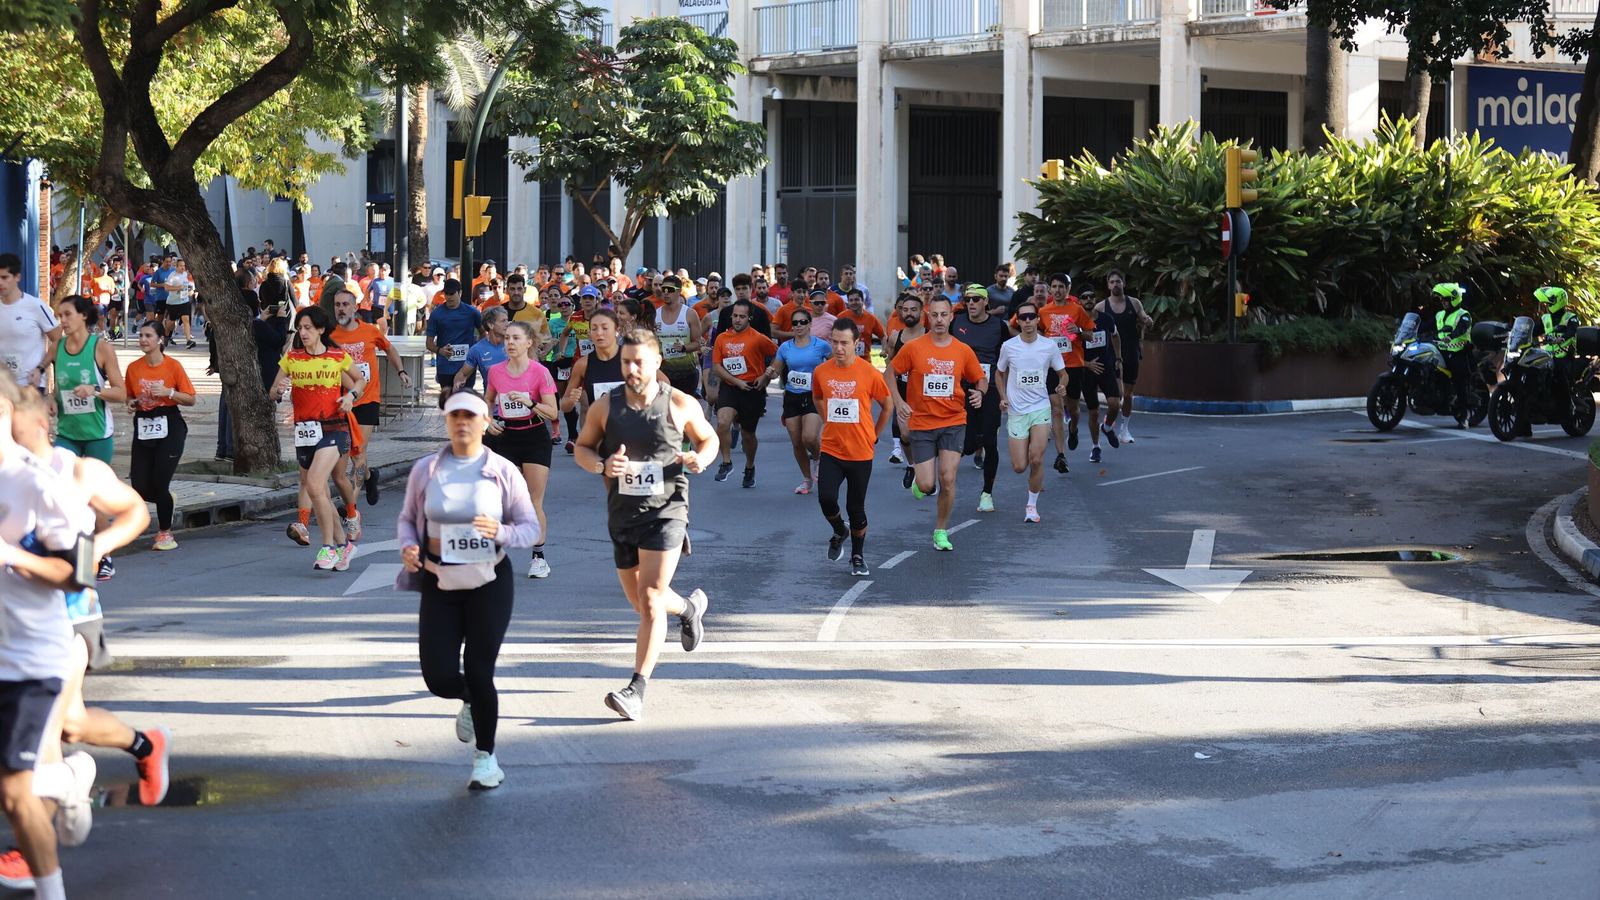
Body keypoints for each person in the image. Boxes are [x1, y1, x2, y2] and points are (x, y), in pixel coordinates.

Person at [397, 390, 541, 790]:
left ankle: (486, 758)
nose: (461, 422)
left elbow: (532, 528)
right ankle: (468, 699)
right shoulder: (426, 469)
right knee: (438, 677)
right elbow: (408, 519)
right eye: (454, 415)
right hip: (440, 582)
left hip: (489, 582)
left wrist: (503, 532)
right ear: (445, 421)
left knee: (480, 671)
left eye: (470, 415)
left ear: (484, 421)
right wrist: (408, 548)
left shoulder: (502, 470)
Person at [574, 328, 717, 721]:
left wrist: (700, 459)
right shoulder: (606, 406)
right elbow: (582, 448)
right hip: (622, 515)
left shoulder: (680, 403)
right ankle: (688, 609)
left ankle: (636, 688)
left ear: (656, 362)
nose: (632, 369)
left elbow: (709, 440)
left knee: (652, 597)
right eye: (626, 362)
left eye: (639, 362)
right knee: (641, 602)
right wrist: (602, 465)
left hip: (667, 511)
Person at [0, 369, 94, 900]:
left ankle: (50, 892)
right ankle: (64, 779)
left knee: (15, 794)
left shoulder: (38, 484)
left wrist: (11, 555)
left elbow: (76, 572)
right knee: (12, 786)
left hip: (32, 657)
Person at [886, 296, 987, 551]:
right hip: (921, 422)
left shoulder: (962, 350)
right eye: (935, 315)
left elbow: (980, 378)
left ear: (951, 317)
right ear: (927, 318)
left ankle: (941, 531)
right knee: (927, 484)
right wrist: (898, 401)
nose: (940, 319)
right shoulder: (913, 347)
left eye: (944, 315)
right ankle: (921, 485)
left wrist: (980, 393)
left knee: (948, 478)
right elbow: (889, 372)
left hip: (953, 421)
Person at [272, 306, 363, 571]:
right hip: (305, 431)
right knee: (319, 491)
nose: (303, 332)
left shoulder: (337, 356)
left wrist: (350, 397)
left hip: (334, 429)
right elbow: (272, 392)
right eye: (300, 328)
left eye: (308, 328)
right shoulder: (292, 358)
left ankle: (328, 548)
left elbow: (359, 381)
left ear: (321, 330)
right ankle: (345, 546)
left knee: (314, 482)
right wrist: (279, 390)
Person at [812, 319, 893, 576]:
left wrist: (874, 435)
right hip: (832, 448)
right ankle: (839, 530)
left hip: (861, 452)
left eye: (844, 343)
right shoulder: (822, 372)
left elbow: (887, 405)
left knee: (856, 508)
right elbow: (817, 397)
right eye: (834, 342)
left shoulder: (869, 372)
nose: (838, 348)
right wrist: (828, 420)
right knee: (826, 498)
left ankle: (857, 555)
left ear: (856, 344)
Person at [484, 322, 560, 578]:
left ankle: (538, 558)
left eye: (516, 338)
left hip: (535, 436)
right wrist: (487, 419)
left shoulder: (540, 372)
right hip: (507, 436)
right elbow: (489, 400)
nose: (510, 343)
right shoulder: (495, 371)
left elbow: (552, 412)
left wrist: (529, 401)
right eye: (506, 338)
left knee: (533, 500)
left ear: (529, 343)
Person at [332, 289, 412, 506]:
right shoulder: (330, 336)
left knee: (358, 452)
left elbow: (390, 349)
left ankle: (351, 505)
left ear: (355, 307)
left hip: (368, 399)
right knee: (349, 450)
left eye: (346, 304)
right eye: (337, 304)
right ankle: (369, 477)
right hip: (342, 402)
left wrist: (401, 371)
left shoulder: (369, 331)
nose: (341, 308)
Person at [124, 321, 196, 549]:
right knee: (139, 486)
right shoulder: (133, 368)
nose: (143, 340)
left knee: (160, 482)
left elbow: (190, 398)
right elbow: (128, 396)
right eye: (141, 335)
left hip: (170, 424)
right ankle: (166, 501)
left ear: (160, 340)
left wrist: (169, 392)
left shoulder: (173, 366)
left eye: (148, 336)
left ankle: (165, 534)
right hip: (144, 424)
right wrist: (132, 403)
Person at [995, 300, 1068, 523]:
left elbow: (1063, 373)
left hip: (1040, 408)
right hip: (1017, 410)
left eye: (1031, 317)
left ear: (1038, 320)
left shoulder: (1049, 346)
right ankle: (1027, 460)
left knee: (1036, 459)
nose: (1027, 321)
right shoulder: (1009, 346)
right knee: (1019, 466)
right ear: (1018, 321)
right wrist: (1003, 397)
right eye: (1023, 318)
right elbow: (999, 373)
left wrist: (1062, 384)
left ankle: (1031, 506)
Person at [950, 285, 1009, 512]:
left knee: (990, 441)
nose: (971, 303)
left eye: (976, 299)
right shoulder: (957, 322)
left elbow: (1007, 354)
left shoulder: (998, 326)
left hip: (989, 387)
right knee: (966, 443)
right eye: (968, 299)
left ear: (986, 302)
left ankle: (987, 493)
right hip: (961, 387)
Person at [711, 300, 777, 487]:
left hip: (751, 389)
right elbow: (717, 366)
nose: (737, 320)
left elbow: (777, 356)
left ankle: (749, 466)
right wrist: (735, 381)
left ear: (749, 318)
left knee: (748, 434)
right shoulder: (722, 338)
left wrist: (766, 375)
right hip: (731, 387)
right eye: (735, 316)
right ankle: (726, 462)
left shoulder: (757, 338)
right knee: (723, 422)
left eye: (742, 316)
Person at [770, 303, 832, 494]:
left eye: (803, 322)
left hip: (814, 396)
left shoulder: (821, 345)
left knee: (809, 437)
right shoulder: (785, 347)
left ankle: (818, 458)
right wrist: (770, 372)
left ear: (809, 324)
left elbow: (835, 365)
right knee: (797, 442)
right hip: (792, 396)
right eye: (795, 323)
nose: (798, 325)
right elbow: (776, 369)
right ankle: (806, 479)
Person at [1037, 274, 1097, 473]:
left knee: (1073, 408)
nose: (1057, 290)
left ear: (1068, 289)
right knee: (1056, 408)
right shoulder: (1044, 311)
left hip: (1073, 364)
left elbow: (1090, 335)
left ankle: (1073, 428)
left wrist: (1078, 329)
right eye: (1054, 286)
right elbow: (1036, 333)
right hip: (1052, 366)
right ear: (1050, 290)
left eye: (1061, 286)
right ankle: (1060, 455)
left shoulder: (1077, 309)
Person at [1095, 270, 1153, 444]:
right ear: (1108, 285)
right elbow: (1092, 330)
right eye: (1111, 282)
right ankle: (1108, 424)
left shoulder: (1134, 303)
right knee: (1117, 394)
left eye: (1118, 281)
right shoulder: (1101, 307)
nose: (1115, 285)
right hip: (1110, 355)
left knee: (1128, 395)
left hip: (1131, 352)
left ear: (1123, 283)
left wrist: (1148, 321)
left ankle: (1124, 429)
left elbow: (1144, 319)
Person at [883, 292, 927, 482]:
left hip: (926, 395)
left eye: (913, 310)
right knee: (906, 435)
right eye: (905, 310)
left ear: (921, 313)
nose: (908, 313)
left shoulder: (929, 336)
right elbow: (890, 364)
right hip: (903, 393)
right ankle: (912, 466)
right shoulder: (895, 337)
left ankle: (926, 472)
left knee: (927, 438)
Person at [425, 278, 482, 408]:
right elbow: (428, 343)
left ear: (460, 293)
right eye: (447, 294)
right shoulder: (437, 314)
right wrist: (440, 351)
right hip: (445, 366)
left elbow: (483, 333)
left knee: (466, 401)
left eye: (452, 294)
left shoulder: (472, 312)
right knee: (449, 403)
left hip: (467, 366)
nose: (449, 297)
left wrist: (476, 351)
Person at [1428, 282, 1473, 428]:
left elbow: (1461, 329)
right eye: (1441, 299)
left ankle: (1464, 416)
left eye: (1445, 299)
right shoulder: (1439, 315)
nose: (1443, 302)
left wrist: (1451, 336)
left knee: (1459, 383)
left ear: (1454, 299)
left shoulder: (1463, 315)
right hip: (1441, 351)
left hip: (1458, 353)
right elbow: (1428, 326)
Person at [654, 275, 705, 397]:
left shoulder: (690, 314)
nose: (666, 293)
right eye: (663, 289)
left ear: (679, 291)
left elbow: (698, 343)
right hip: (664, 372)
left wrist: (684, 348)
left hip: (686, 373)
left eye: (670, 290)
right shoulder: (656, 315)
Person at [453, 306, 509, 395]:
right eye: (503, 321)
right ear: (491, 325)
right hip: (492, 403)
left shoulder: (515, 344)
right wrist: (457, 387)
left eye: (507, 320)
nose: (507, 324)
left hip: (518, 402)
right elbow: (463, 374)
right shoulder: (477, 350)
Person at [162, 257, 197, 348]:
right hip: (173, 303)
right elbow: (166, 288)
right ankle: (166, 335)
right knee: (171, 322)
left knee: (186, 319)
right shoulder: (172, 276)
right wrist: (178, 288)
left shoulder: (185, 274)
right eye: (181, 266)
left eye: (184, 266)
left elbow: (187, 286)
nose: (183, 267)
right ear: (176, 267)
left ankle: (188, 341)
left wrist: (190, 291)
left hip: (184, 301)